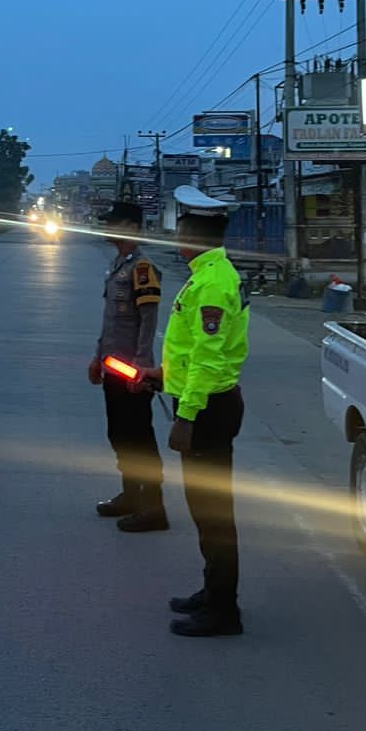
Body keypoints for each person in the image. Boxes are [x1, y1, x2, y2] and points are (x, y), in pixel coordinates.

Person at [143, 184, 250, 637]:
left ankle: (224, 611)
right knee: (205, 510)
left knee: (213, 512)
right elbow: (191, 352)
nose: (177, 239)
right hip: (203, 401)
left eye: (182, 232)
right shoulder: (206, 274)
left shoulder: (212, 283)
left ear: (198, 237)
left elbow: (209, 359)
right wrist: (162, 375)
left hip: (208, 410)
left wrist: (185, 417)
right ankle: (213, 592)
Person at [87, 199, 166, 532]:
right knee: (119, 434)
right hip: (113, 367)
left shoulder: (142, 268)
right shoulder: (120, 265)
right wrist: (98, 357)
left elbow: (148, 321)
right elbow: (111, 323)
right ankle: (131, 494)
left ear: (132, 228)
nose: (107, 227)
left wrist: (142, 367)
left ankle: (154, 506)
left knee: (139, 438)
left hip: (132, 372)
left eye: (114, 222)